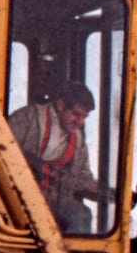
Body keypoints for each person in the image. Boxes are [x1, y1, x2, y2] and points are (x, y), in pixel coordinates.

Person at [7, 81, 106, 233]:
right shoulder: (27, 119)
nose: (80, 122)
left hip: (52, 203)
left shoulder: (77, 140)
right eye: (76, 114)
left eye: (84, 117)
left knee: (81, 215)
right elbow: (1, 152)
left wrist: (115, 196)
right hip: (15, 197)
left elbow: (82, 180)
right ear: (60, 106)